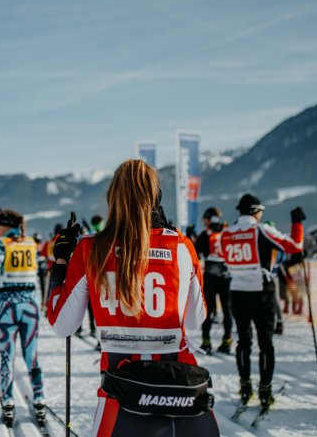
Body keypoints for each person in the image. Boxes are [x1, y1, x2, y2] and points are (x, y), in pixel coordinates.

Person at [47, 160, 219, 437]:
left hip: (121, 400)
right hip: (180, 396)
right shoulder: (180, 246)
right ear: (155, 198)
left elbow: (62, 325)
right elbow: (197, 320)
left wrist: (60, 265)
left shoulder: (90, 249)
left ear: (112, 197)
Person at [220, 194, 304, 409]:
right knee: (265, 343)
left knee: (243, 342)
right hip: (261, 290)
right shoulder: (260, 229)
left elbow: (224, 255)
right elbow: (294, 246)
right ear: (256, 211)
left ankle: (244, 387)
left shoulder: (227, 232)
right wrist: (296, 223)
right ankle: (265, 391)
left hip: (237, 290)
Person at [0, 209, 45, 426]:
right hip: (30, 305)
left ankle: (7, 400)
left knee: (7, 354)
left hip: (7, 304)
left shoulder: (2, 244)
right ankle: (39, 397)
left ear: (3, 225)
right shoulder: (31, 242)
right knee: (31, 354)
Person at [195, 207, 233, 354]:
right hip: (226, 275)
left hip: (211, 276)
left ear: (210, 219)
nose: (204, 222)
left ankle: (206, 342)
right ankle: (227, 341)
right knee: (227, 310)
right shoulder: (227, 232)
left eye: (205, 218)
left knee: (209, 310)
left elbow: (196, 252)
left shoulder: (205, 234)